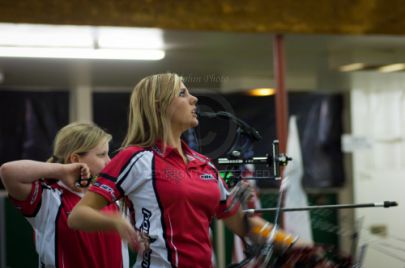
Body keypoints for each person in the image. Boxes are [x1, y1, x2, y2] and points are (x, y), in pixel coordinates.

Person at [68, 73, 295, 268]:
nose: (194, 99)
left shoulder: (204, 164)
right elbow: (78, 216)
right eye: (183, 94)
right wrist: (117, 223)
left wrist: (291, 244)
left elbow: (242, 225)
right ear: (160, 105)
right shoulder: (134, 158)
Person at [0, 122, 129, 268]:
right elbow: (8, 171)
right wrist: (62, 170)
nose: (109, 161)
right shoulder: (49, 197)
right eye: (101, 155)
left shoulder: (110, 195)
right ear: (75, 159)